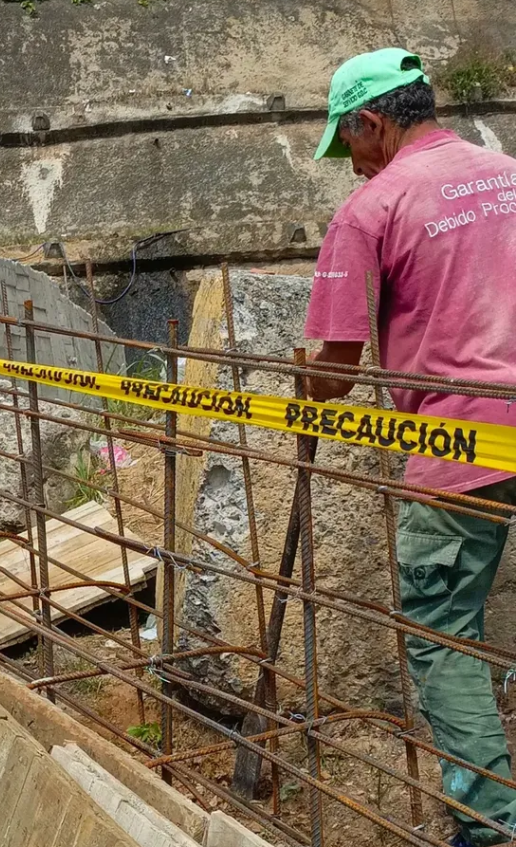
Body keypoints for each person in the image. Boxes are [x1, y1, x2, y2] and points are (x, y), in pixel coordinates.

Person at [305, 48, 516, 847]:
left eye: (349, 146)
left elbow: (333, 372)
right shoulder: (507, 170)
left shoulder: (372, 208)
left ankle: (490, 821)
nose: (350, 166)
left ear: (371, 122)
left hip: (462, 440)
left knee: (441, 635)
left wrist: (304, 381)